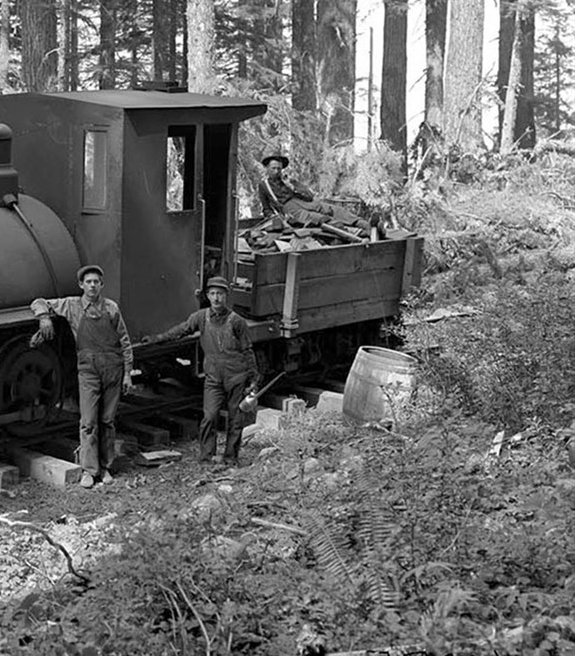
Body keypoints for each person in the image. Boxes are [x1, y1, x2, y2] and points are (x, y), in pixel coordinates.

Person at [30, 265, 135, 489]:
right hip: (88, 370)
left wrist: (128, 374)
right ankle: (89, 471)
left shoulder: (112, 308)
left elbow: (125, 342)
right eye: (88, 282)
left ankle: (105, 467)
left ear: (101, 285)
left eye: (96, 282)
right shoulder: (71, 306)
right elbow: (39, 301)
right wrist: (44, 318)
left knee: (107, 421)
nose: (92, 285)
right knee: (88, 422)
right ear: (81, 285)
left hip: (113, 370)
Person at [142, 277, 258, 466]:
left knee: (235, 420)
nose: (216, 298)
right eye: (212, 294)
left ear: (226, 296)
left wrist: (253, 379)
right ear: (207, 296)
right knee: (209, 416)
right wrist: (157, 339)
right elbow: (182, 330)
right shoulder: (201, 317)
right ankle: (206, 457)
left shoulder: (237, 321)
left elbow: (247, 350)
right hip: (213, 378)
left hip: (236, 377)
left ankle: (230, 458)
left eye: (220, 294)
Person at [257, 153, 371, 230]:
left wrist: (292, 185)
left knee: (332, 209)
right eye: (274, 168)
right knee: (318, 218)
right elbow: (266, 208)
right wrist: (277, 218)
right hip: (289, 209)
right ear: (267, 169)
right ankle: (357, 232)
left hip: (303, 201)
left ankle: (364, 225)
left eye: (279, 168)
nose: (277, 171)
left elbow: (309, 195)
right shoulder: (263, 186)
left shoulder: (289, 180)